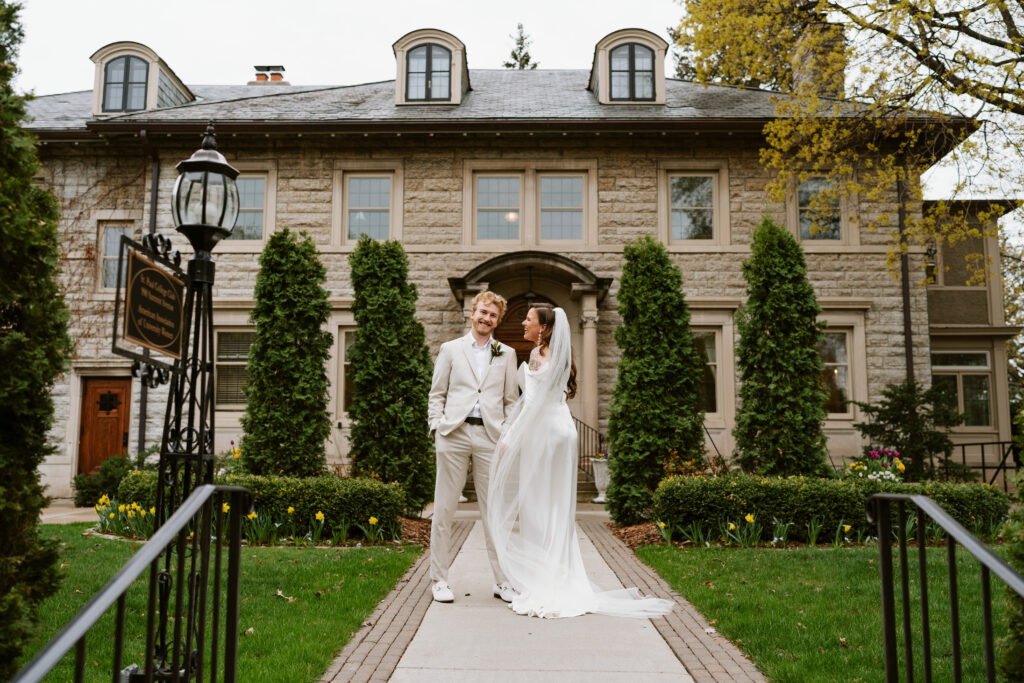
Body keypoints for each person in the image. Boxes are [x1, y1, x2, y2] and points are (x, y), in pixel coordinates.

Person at [487, 304, 675, 619]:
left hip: (544, 432)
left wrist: (509, 437)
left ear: (543, 328)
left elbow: (531, 404)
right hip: (562, 431)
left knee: (536, 504)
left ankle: (544, 582)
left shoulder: (537, 356)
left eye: (528, 320)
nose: (523, 323)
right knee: (558, 507)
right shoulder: (559, 355)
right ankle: (559, 576)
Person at [427, 291, 519, 604]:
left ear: (497, 320)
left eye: (492, 315)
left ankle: (502, 581)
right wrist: (436, 427)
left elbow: (511, 402)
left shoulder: (506, 354)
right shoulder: (450, 349)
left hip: (489, 438)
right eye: (482, 312)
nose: (486, 319)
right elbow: (437, 393)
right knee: (444, 509)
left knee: (494, 512)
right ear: (472, 313)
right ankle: (439, 580)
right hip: (453, 434)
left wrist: (506, 436)